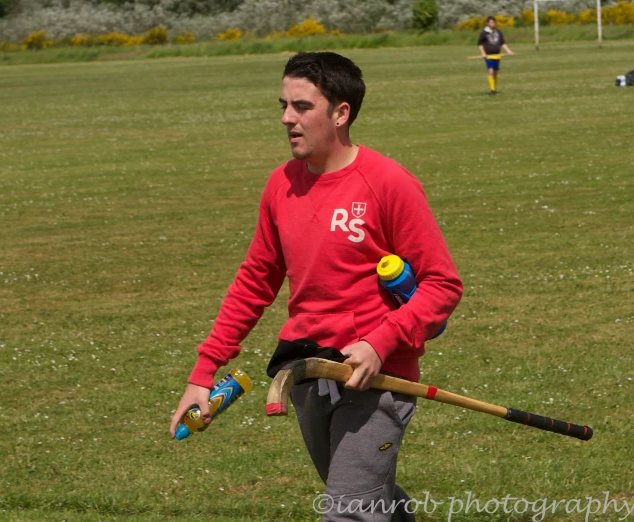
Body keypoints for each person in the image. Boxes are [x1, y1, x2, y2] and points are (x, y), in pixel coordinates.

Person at [168, 51, 463, 521]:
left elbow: (442, 285)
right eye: (283, 105)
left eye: (302, 106)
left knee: (348, 511)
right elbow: (254, 282)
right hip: (306, 372)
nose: (287, 118)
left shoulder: (387, 183)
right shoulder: (280, 185)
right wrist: (203, 373)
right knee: (368, 501)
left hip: (375, 379)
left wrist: (380, 342)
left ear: (341, 112)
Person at [477, 16, 515, 95]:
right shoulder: (484, 32)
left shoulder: (498, 32)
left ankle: (494, 89)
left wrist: (509, 51)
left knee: (495, 72)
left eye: (493, 22)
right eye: (490, 22)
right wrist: (483, 53)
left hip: (497, 55)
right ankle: (492, 90)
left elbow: (502, 43)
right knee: (490, 71)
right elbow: (480, 44)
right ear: (487, 23)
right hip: (488, 56)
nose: (492, 24)